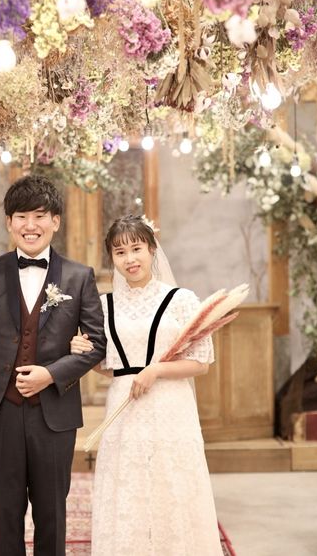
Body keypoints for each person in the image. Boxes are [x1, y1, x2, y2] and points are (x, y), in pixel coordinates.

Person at [0, 174, 106, 556]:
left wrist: (50, 374)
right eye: (21, 216)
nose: (30, 225)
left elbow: (96, 345)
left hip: (54, 415)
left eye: (39, 216)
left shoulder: (79, 276)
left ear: (56, 221)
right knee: (4, 511)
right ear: (9, 222)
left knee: (52, 513)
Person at [70, 215, 223, 556]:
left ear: (153, 249)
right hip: (124, 405)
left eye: (136, 248)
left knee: (172, 485)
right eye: (120, 252)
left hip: (171, 407)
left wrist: (156, 371)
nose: (130, 259)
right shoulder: (103, 305)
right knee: (128, 487)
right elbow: (111, 367)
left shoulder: (182, 300)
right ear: (112, 258)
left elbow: (201, 362)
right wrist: (82, 353)